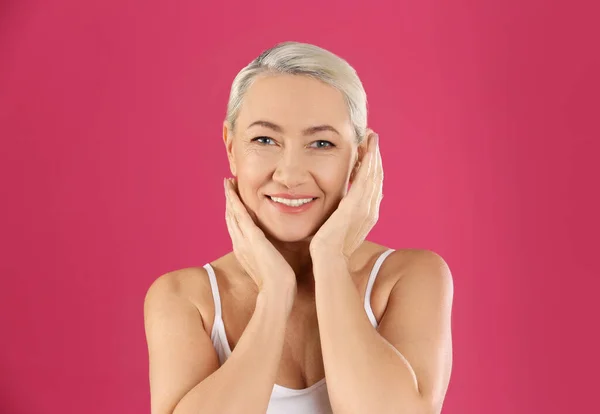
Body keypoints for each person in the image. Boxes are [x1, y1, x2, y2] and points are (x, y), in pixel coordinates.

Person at [143, 41, 454, 414]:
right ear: (230, 147)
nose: (289, 174)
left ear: (360, 159)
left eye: (321, 143)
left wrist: (329, 260)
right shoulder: (186, 300)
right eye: (264, 139)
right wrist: (275, 293)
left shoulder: (409, 278)